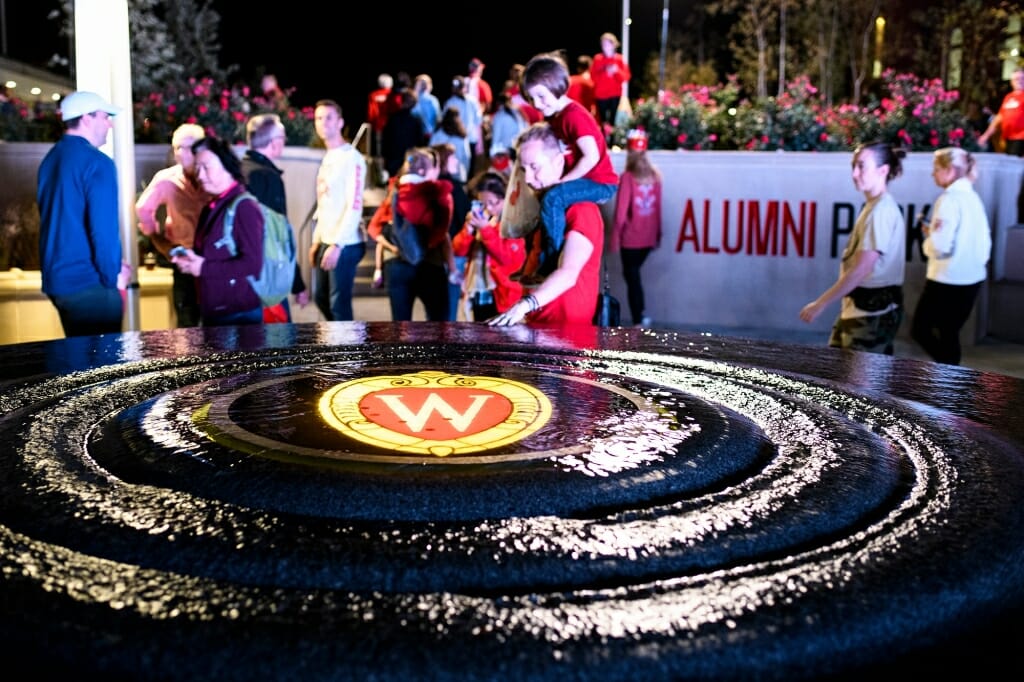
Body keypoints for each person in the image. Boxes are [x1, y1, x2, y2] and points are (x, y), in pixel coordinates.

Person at [488, 123, 604, 327]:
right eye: (524, 170)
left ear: (559, 162)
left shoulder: (581, 209)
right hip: (543, 326)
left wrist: (524, 305)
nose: (529, 179)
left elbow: (568, 273)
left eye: (535, 167)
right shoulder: (546, 206)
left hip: (567, 334)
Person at [799, 141, 907, 355]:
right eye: (853, 166)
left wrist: (821, 303)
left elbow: (861, 269)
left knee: (855, 384)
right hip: (861, 311)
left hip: (870, 314)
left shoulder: (880, 211)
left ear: (883, 170)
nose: (855, 174)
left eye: (861, 166)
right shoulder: (874, 207)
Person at [37, 90, 130, 338]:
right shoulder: (97, 162)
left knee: (78, 366)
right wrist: (114, 276)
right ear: (87, 119)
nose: (109, 123)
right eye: (105, 116)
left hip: (58, 281)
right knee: (104, 370)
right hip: (89, 284)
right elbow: (103, 230)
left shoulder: (50, 159)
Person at [520, 51, 618, 278]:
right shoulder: (552, 116)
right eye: (531, 99)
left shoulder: (574, 115)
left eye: (542, 97)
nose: (537, 104)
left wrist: (563, 181)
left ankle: (553, 260)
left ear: (558, 87)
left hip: (600, 182)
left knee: (555, 197)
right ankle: (537, 254)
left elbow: (591, 157)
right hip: (584, 178)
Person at [170, 136, 265, 327]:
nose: (200, 175)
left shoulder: (244, 206)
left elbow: (253, 265)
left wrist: (202, 268)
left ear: (227, 166)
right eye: (197, 168)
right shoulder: (213, 205)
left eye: (206, 167)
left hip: (238, 315)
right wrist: (191, 259)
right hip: (216, 311)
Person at [911, 147, 993, 365]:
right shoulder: (973, 198)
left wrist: (928, 242)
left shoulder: (948, 199)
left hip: (946, 279)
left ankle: (951, 379)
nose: (932, 174)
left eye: (936, 169)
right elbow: (984, 243)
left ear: (949, 170)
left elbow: (939, 247)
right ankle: (951, 379)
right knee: (949, 334)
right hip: (972, 279)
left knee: (922, 329)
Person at [135, 122, 211, 328]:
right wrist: (158, 239)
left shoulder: (212, 173)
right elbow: (143, 209)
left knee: (216, 323)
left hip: (213, 258)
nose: (183, 153)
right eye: (178, 147)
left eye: (189, 147)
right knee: (187, 322)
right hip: (183, 257)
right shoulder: (166, 179)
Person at [367, 147, 455, 322]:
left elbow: (373, 227)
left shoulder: (395, 192)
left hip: (397, 264)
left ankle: (404, 351)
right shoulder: (439, 193)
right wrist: (425, 246)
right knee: (438, 326)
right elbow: (442, 229)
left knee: (400, 327)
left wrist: (396, 247)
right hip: (430, 264)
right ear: (427, 170)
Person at [239, 112, 309, 323]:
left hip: (243, 274)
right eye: (282, 138)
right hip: (267, 278)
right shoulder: (267, 176)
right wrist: (297, 284)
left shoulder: (239, 170)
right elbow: (279, 236)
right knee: (278, 344)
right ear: (274, 142)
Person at [309, 99, 367, 321]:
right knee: (321, 298)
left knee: (338, 304)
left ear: (340, 122)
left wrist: (337, 244)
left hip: (345, 243)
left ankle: (349, 351)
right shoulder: (328, 157)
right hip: (327, 239)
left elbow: (354, 204)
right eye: (319, 118)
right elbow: (324, 203)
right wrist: (317, 240)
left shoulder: (351, 158)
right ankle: (337, 345)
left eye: (329, 118)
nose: (323, 123)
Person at [453, 171, 527, 321]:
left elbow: (507, 258)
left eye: (493, 203)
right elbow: (458, 250)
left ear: (505, 198)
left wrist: (485, 229)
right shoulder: (484, 218)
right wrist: (468, 230)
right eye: (483, 203)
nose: (489, 208)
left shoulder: (515, 222)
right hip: (479, 290)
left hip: (504, 293)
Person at [611, 129, 662, 327]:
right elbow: (658, 209)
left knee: (632, 278)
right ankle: (640, 316)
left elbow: (621, 213)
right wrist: (658, 235)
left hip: (630, 240)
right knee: (634, 277)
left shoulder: (627, 177)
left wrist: (614, 239)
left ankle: (638, 319)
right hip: (648, 239)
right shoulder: (655, 176)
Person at [433, 142, 472, 320]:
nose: (457, 160)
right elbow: (464, 216)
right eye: (452, 157)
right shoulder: (452, 187)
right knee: (449, 309)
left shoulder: (432, 185)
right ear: (443, 161)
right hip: (455, 250)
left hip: (435, 252)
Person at [591, 32, 631, 134]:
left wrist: (616, 71)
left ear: (614, 44)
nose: (605, 46)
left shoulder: (619, 59)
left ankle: (612, 142)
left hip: (615, 94)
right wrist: (604, 70)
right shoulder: (597, 58)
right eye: (603, 44)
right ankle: (604, 141)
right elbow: (593, 77)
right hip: (601, 95)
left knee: (612, 118)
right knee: (603, 119)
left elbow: (626, 77)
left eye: (608, 43)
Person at [978, 67, 1024, 155]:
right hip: (1008, 137)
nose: (1019, 81)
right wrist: (986, 136)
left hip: (1021, 137)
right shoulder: (1008, 97)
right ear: (1011, 82)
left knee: (1013, 163)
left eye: (1022, 78)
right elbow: (999, 118)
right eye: (1016, 79)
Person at [367, 73, 393, 158]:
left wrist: (371, 122)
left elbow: (371, 112)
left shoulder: (373, 95)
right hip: (391, 123)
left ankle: (379, 163)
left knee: (379, 145)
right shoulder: (392, 94)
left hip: (378, 123)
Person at [410, 74, 442, 145]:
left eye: (425, 83)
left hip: (428, 135)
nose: (423, 86)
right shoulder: (413, 99)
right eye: (420, 84)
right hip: (415, 135)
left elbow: (438, 119)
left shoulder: (432, 100)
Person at [567, 54, 597, 119]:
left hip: (570, 115)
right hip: (585, 116)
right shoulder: (592, 83)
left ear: (578, 68)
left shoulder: (569, 81)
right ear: (590, 68)